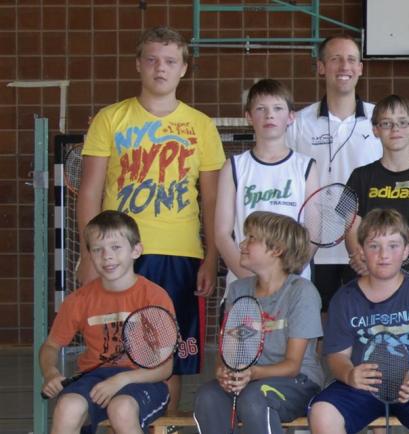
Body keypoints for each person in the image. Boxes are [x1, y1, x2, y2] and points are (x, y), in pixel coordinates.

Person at [77, 27, 224, 408]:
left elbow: (212, 200)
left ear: (184, 69)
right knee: (114, 351)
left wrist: (212, 257)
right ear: (138, 64)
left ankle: (163, 427)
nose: (161, 68)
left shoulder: (201, 125)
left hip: (179, 255)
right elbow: (90, 192)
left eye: (170, 61)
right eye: (152, 59)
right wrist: (88, 255)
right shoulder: (111, 119)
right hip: (117, 254)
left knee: (168, 356)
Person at [308, 209, 409, 434]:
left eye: (393, 246)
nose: (384, 254)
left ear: (406, 251)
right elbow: (337, 357)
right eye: (374, 246)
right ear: (361, 251)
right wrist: (349, 375)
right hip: (362, 385)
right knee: (322, 412)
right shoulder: (344, 299)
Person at [42, 211, 174, 434]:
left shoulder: (155, 297)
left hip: (142, 379)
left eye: (116, 247)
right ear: (89, 255)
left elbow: (165, 368)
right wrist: (50, 372)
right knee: (67, 407)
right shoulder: (79, 300)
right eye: (97, 249)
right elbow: (50, 346)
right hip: (94, 379)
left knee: (121, 409)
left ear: (136, 250)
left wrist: (121, 380)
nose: (107, 256)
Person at [194, 212, 325, 433]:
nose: (242, 244)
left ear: (277, 249)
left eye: (251, 238)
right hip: (250, 381)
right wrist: (224, 373)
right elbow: (228, 354)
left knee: (255, 397)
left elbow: (293, 365)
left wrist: (252, 373)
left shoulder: (302, 291)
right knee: (208, 396)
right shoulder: (238, 290)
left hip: (298, 382)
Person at [286, 34, 383, 311]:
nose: (344, 66)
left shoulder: (380, 120)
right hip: (313, 249)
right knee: (314, 324)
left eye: (351, 59)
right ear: (321, 67)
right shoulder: (298, 124)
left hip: (367, 249)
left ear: (360, 68)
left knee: (364, 324)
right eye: (335, 59)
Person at [215, 79, 319, 282]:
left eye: (278, 108)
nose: (269, 115)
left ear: (291, 117)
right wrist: (251, 280)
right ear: (248, 117)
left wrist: (286, 275)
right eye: (261, 109)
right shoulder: (234, 167)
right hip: (244, 282)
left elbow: (313, 232)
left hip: (293, 281)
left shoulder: (306, 166)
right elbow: (222, 234)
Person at [345, 94, 409, 276]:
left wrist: (383, 251)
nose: (395, 129)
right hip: (369, 271)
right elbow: (350, 229)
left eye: (402, 122)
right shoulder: (359, 176)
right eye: (386, 123)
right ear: (375, 130)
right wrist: (361, 255)